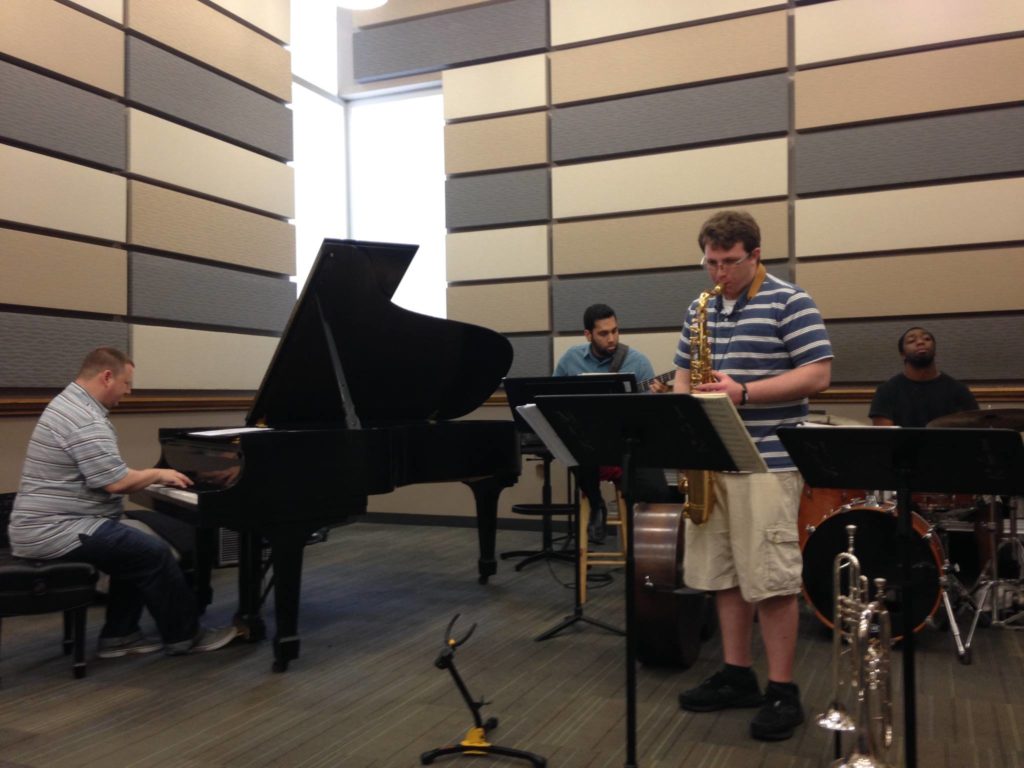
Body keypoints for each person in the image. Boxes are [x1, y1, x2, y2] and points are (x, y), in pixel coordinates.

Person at [672, 210, 833, 741]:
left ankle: (783, 689)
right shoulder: (700, 307)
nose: (719, 273)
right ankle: (737, 673)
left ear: (755, 255)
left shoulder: (790, 301)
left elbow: (818, 374)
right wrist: (684, 424)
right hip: (713, 460)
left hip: (768, 460)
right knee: (726, 575)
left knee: (770, 579)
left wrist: (743, 392)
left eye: (729, 262)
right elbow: (682, 374)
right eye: (711, 262)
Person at [8, 347, 237, 658]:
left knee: (135, 548)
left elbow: (107, 475)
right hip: (56, 529)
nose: (128, 391)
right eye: (126, 383)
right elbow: (115, 483)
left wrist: (151, 477)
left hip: (54, 522)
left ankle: (120, 635)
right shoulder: (83, 419)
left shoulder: (70, 404)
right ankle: (186, 636)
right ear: (107, 377)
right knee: (152, 552)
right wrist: (158, 474)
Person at [553, 304, 671, 543]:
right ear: (588, 335)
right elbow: (553, 400)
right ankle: (597, 504)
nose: (612, 338)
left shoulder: (638, 362)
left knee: (658, 490)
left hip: (628, 443)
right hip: (588, 445)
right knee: (571, 443)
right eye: (603, 333)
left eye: (615, 331)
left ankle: (642, 545)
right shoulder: (571, 359)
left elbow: (649, 417)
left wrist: (657, 398)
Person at [869, 326, 977, 427]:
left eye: (926, 339)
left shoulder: (959, 390)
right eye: (911, 341)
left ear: (935, 351)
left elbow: (972, 430)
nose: (920, 342)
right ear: (902, 354)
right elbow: (884, 437)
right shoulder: (886, 391)